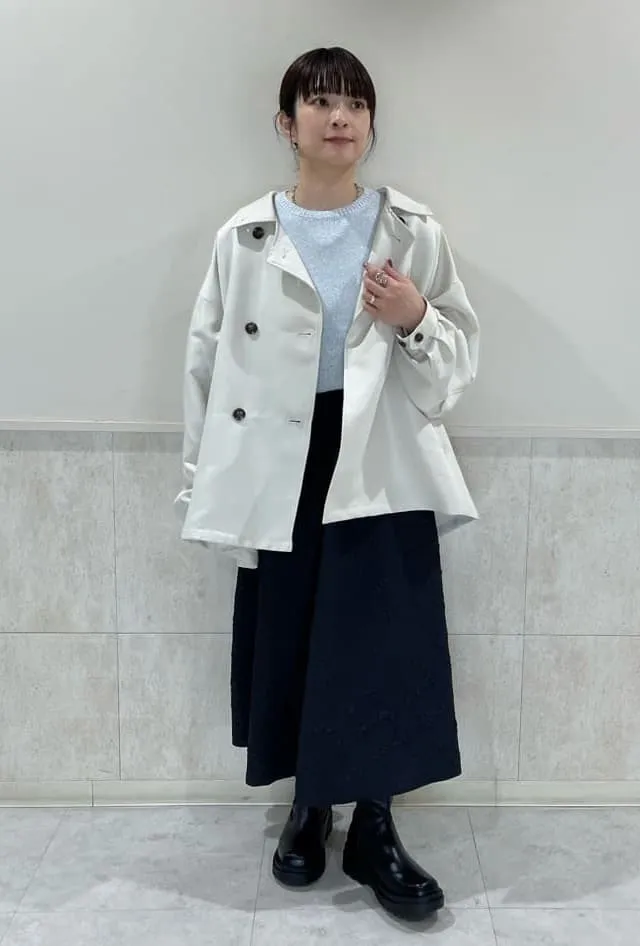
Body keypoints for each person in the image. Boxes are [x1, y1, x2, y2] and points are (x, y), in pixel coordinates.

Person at [175, 46, 480, 922]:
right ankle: (309, 806)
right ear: (287, 123)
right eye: (319, 102)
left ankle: (375, 825)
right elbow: (205, 365)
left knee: (384, 642)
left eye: (354, 103)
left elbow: (453, 372)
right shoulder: (246, 236)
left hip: (379, 457)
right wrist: (202, 486)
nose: (338, 117)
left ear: (371, 126)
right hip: (278, 462)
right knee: (292, 636)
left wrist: (413, 318)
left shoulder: (411, 231)